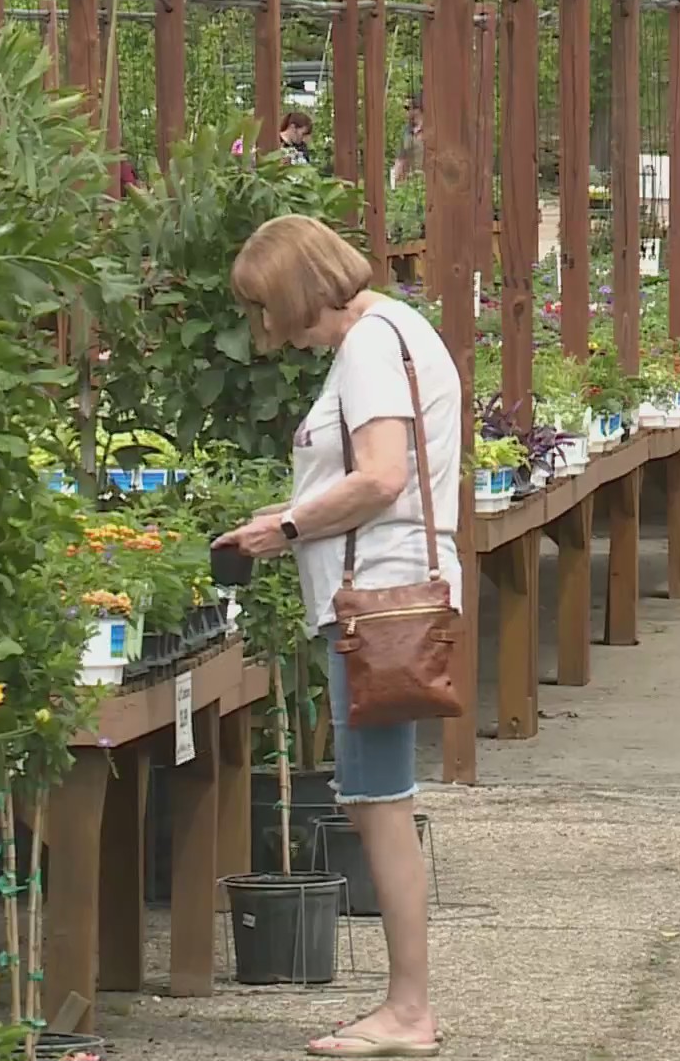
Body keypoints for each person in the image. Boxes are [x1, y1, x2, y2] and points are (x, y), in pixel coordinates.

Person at [216, 215, 456, 1058]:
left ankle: (407, 1010)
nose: (265, 324)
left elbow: (383, 476)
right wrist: (287, 524)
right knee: (376, 798)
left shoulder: (367, 345)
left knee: (380, 804)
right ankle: (405, 1004)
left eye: (262, 303)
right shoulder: (394, 330)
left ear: (289, 291)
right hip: (377, 600)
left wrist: (283, 526)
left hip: (378, 607)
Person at [390, 95, 424, 183]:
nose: (407, 112)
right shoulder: (406, 132)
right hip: (411, 183)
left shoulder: (431, 130)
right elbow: (400, 159)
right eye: (406, 109)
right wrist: (393, 183)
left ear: (418, 110)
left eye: (408, 108)